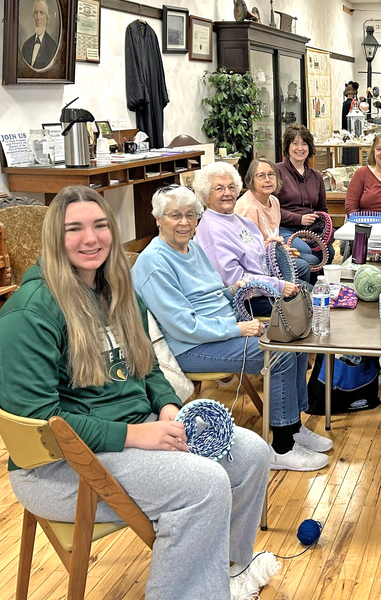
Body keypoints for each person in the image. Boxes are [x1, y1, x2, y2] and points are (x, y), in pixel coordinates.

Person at [0, 186, 277, 599]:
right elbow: (44, 427)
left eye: (99, 226)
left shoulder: (116, 291)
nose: (90, 238)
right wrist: (136, 436)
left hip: (130, 436)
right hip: (61, 468)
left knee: (251, 453)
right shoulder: (29, 312)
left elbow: (147, 366)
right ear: (53, 238)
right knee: (204, 485)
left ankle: (227, 574)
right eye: (73, 229)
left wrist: (165, 406)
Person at [131, 184, 331, 472]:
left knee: (292, 342)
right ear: (158, 219)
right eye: (175, 215)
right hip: (190, 347)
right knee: (279, 355)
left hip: (219, 331)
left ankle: (293, 425)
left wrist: (232, 290)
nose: (185, 222)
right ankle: (282, 447)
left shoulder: (193, 248)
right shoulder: (154, 263)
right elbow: (185, 327)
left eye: (190, 215)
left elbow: (210, 295)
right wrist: (238, 328)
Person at [192, 162, 308, 317]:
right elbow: (236, 281)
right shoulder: (212, 231)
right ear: (205, 196)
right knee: (308, 301)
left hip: (266, 284)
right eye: (219, 188)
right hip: (247, 299)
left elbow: (255, 251)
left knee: (313, 291)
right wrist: (279, 286)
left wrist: (272, 249)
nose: (227, 193)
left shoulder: (238, 220)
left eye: (231, 187)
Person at [235, 157, 312, 283]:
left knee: (311, 260)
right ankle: (294, 297)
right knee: (303, 266)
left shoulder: (274, 201)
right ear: (251, 180)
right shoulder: (247, 208)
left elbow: (272, 237)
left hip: (272, 255)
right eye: (261, 176)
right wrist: (280, 253)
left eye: (271, 175)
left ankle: (302, 296)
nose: (267, 180)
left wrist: (282, 250)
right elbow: (250, 251)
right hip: (256, 265)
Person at [275, 125, 331, 268]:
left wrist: (323, 230)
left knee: (329, 250)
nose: (300, 148)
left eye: (304, 144)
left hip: (310, 230)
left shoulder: (316, 176)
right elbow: (272, 210)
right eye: (295, 143)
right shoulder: (277, 172)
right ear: (287, 147)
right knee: (307, 251)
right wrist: (299, 219)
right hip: (284, 229)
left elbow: (322, 209)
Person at [20, 0, 58, 70]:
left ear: (46, 18)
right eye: (36, 13)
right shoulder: (26, 45)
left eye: (41, 13)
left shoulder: (52, 47)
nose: (38, 18)